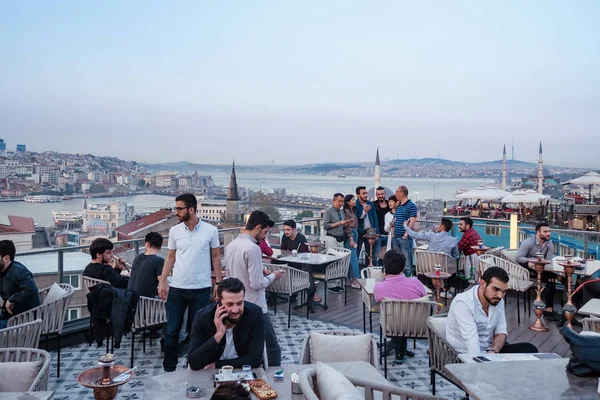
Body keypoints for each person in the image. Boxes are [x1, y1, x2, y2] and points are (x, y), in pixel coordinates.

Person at [158, 193, 223, 372]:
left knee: (197, 331)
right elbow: (170, 257)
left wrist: (218, 283)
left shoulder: (211, 230)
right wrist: (163, 281)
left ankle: (193, 367)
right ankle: (169, 369)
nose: (176, 212)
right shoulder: (174, 231)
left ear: (192, 209)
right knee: (171, 331)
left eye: (179, 209)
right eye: (176, 208)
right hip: (177, 288)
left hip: (201, 289)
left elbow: (216, 257)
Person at [225, 210, 284, 367]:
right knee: (273, 348)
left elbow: (229, 275)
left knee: (244, 346)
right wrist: (273, 276)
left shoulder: (231, 246)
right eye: (265, 232)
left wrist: (261, 268)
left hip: (237, 305)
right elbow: (256, 284)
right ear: (257, 228)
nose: (265, 237)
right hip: (256, 306)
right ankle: (275, 378)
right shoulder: (253, 249)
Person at [446, 266, 538, 355]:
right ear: (482, 284)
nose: (500, 295)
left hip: (490, 352)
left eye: (504, 291)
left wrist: (494, 351)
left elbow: (501, 331)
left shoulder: (498, 300)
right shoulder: (463, 303)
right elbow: (471, 342)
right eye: (496, 289)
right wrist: (487, 364)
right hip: (465, 355)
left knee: (530, 349)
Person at [188, 278, 265, 371]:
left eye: (240, 303)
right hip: (210, 375)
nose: (235, 310)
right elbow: (194, 363)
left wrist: (218, 365)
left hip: (242, 373)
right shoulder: (203, 317)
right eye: (230, 304)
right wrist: (218, 335)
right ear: (218, 301)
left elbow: (255, 359)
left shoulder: (255, 314)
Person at [373, 249, 427, 363]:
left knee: (391, 313)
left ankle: (396, 344)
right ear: (403, 268)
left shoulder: (378, 287)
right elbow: (425, 297)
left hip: (391, 327)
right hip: (416, 326)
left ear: (385, 268)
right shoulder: (415, 283)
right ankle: (400, 349)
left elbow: (377, 300)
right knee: (405, 314)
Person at [516, 222, 558, 320]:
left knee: (551, 278)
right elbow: (519, 258)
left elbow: (549, 260)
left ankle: (549, 308)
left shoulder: (549, 243)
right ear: (538, 233)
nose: (549, 233)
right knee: (551, 278)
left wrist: (542, 262)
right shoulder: (528, 243)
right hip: (527, 269)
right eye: (545, 231)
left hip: (542, 269)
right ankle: (549, 308)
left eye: (549, 231)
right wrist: (533, 261)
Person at [0, 240, 40, 329]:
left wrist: (11, 300)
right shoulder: (3, 271)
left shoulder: (19, 272)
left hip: (22, 321)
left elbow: (32, 290)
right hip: (9, 315)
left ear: (6, 258)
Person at [127, 232, 164, 298]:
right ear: (160, 246)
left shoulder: (137, 258)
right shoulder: (159, 261)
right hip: (146, 302)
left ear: (147, 244)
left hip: (130, 298)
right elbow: (163, 284)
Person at [393, 186, 417, 276]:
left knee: (406, 264)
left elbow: (412, 221)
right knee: (396, 263)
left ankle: (408, 281)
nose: (395, 194)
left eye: (397, 192)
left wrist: (406, 234)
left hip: (404, 238)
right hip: (396, 237)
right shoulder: (398, 206)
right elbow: (395, 219)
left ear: (402, 193)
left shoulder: (411, 206)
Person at [355, 186, 379, 266]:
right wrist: (364, 211)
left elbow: (375, 218)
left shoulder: (370, 204)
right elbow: (357, 217)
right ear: (358, 195)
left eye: (366, 193)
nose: (365, 195)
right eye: (363, 193)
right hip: (359, 232)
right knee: (357, 252)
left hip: (370, 232)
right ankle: (355, 274)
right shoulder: (356, 205)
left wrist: (376, 232)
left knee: (370, 254)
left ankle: (368, 272)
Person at [343, 194, 360, 288]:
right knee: (353, 258)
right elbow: (348, 225)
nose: (355, 201)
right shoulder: (346, 212)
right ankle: (355, 279)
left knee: (351, 257)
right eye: (353, 199)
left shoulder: (351, 210)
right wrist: (351, 238)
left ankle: (348, 279)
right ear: (348, 202)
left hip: (354, 234)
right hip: (351, 235)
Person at [374, 186, 390, 265]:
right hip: (378, 235)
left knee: (388, 256)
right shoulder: (374, 205)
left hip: (389, 235)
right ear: (376, 195)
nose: (380, 196)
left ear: (385, 194)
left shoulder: (389, 205)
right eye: (378, 194)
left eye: (382, 194)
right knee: (377, 256)